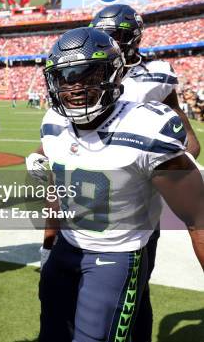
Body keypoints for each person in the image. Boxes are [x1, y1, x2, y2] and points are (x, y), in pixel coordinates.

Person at [38, 27, 204, 342]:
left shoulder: (146, 127)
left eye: (88, 75)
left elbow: (198, 215)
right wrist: (49, 239)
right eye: (65, 77)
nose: (74, 87)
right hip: (66, 248)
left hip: (116, 254)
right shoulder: (53, 122)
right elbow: (57, 183)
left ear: (115, 75)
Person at [90, 3, 201, 342]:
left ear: (134, 36)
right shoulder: (89, 70)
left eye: (117, 35)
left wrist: (159, 175)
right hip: (91, 196)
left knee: (134, 287)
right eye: (104, 33)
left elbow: (188, 140)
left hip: (135, 201)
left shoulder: (157, 73)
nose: (109, 40)